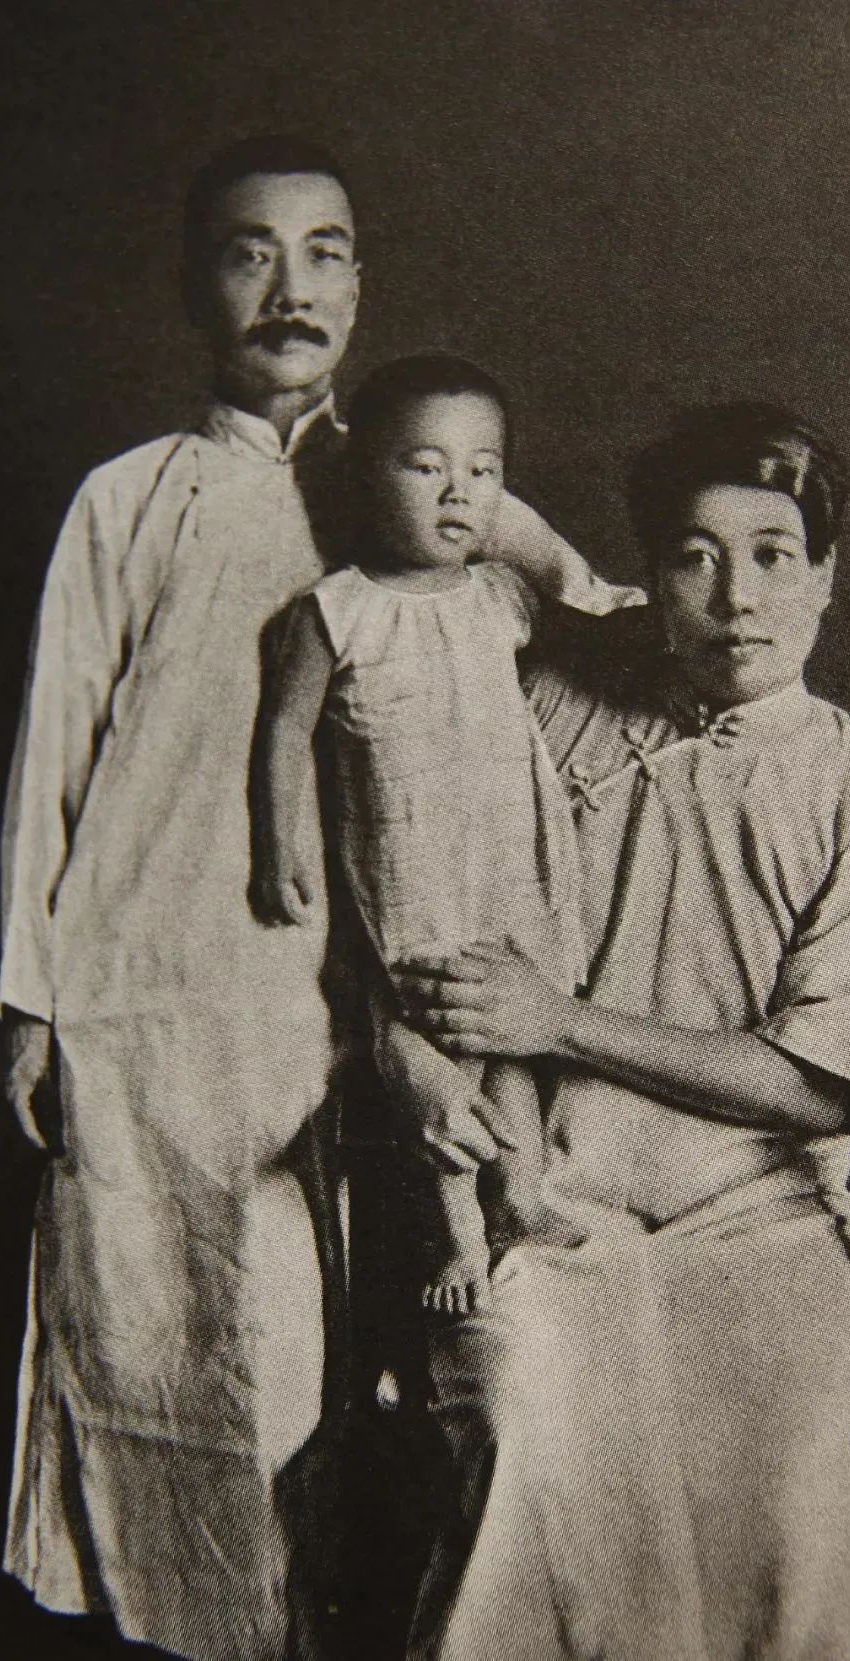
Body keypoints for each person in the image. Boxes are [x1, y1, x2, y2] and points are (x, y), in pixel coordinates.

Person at [0, 136, 637, 1661]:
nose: (291, 286)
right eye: (249, 251)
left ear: (361, 283)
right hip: (148, 983)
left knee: (312, 1361)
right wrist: (29, 1004)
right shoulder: (129, 500)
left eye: (326, 250)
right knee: (149, 1333)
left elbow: (564, 614)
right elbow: (52, 751)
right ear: (192, 287)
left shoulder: (408, 483)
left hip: (329, 1002)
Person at [395, 404, 850, 1661]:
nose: (736, 597)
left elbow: (819, 1086)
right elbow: (482, 551)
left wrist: (559, 1021)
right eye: (695, 557)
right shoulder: (568, 698)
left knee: (792, 1496)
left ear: (825, 575)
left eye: (773, 554)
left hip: (759, 1222)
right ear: (651, 578)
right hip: (547, 1202)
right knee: (529, 1444)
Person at [256, 355, 630, 1318]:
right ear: (364, 478)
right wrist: (279, 845)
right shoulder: (337, 610)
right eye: (425, 467)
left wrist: (532, 543)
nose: (459, 492)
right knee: (437, 1037)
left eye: (483, 469)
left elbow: (561, 584)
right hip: (410, 865)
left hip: (506, 857)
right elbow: (285, 731)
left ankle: (523, 1192)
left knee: (514, 1033)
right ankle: (459, 1231)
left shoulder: (499, 595)